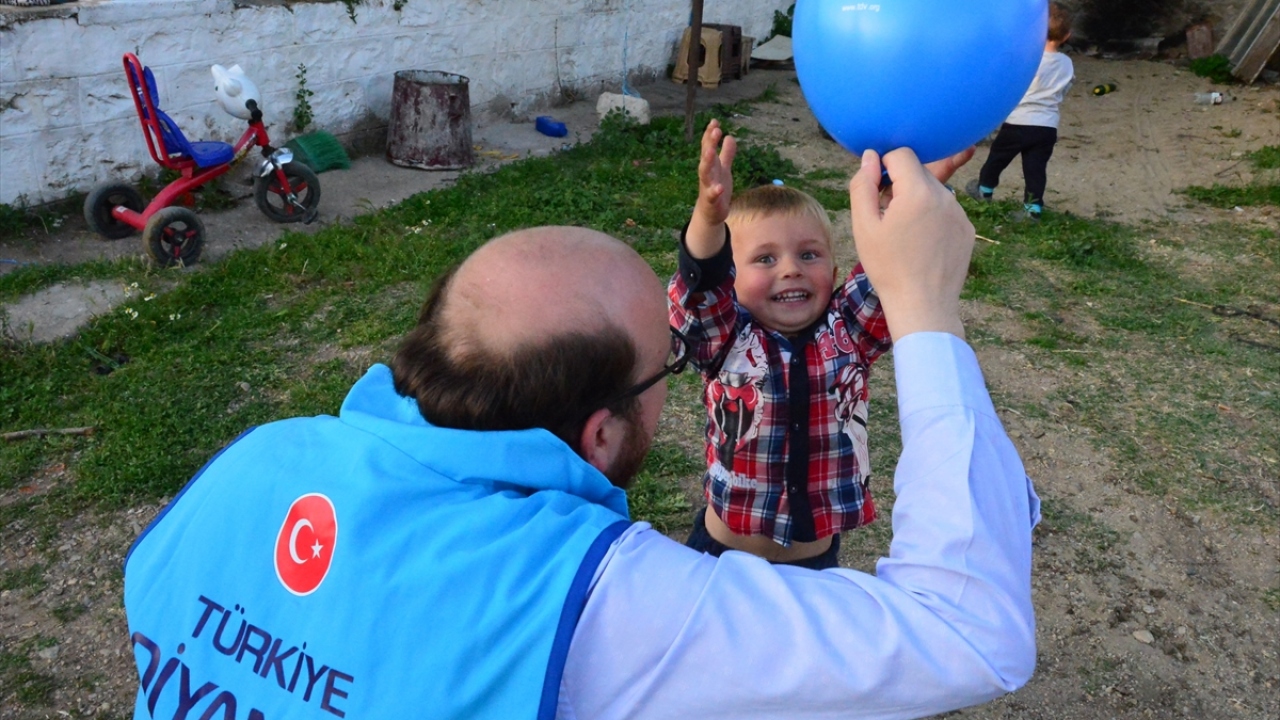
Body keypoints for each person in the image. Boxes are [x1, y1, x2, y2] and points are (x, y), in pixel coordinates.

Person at [123, 147, 1039, 719]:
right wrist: (925, 309)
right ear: (602, 435)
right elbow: (971, 633)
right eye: (665, 367)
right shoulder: (603, 601)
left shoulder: (252, 461)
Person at [670, 119, 890, 569]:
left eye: (808, 255)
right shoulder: (726, 339)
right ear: (732, 277)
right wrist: (708, 218)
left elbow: (890, 268)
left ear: (832, 272)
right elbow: (698, 292)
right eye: (765, 258)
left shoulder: (849, 332)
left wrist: (904, 199)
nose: (790, 269)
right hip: (721, 558)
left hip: (813, 566)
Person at [966, 1, 1075, 221]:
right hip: (1046, 126)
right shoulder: (1066, 63)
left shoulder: (1027, 59)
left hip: (1018, 122)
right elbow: (1066, 87)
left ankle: (984, 190)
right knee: (1035, 168)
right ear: (1067, 36)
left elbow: (1008, 84)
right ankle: (1033, 209)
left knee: (997, 158)